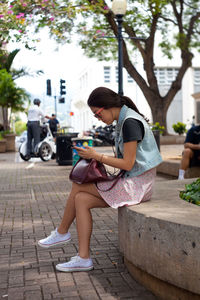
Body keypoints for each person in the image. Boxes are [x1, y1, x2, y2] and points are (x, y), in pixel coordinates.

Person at [38, 87, 162, 273]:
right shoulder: (125, 119)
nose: (97, 118)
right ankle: (83, 258)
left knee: (78, 184)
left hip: (137, 185)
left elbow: (127, 164)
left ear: (107, 106)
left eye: (97, 114)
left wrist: (96, 156)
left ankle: (62, 232)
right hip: (136, 181)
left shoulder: (129, 122)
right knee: (81, 199)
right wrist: (95, 155)